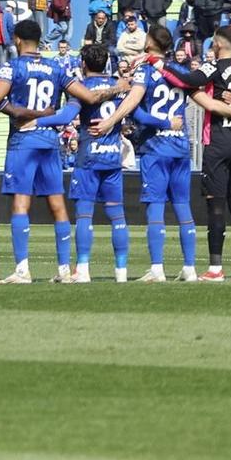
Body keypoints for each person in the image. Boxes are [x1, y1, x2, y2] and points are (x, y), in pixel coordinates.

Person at [0, 21, 117, 284]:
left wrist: (15, 111)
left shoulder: (13, 66)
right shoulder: (56, 67)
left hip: (23, 141)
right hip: (49, 140)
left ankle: (22, 270)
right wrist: (117, 89)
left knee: (21, 203)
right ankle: (65, 270)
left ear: (18, 40)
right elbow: (87, 97)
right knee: (57, 205)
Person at [95, 25, 198, 283]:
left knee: (155, 207)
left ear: (151, 43)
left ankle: (157, 268)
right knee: (183, 206)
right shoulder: (180, 71)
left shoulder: (146, 70)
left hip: (156, 148)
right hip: (180, 147)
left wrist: (112, 121)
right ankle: (190, 267)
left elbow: (137, 110)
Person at [180, 30, 231, 281]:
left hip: (219, 140)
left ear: (216, 44)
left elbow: (188, 79)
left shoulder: (214, 66)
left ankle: (215, 268)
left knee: (216, 204)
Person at [66, 43, 131, 284]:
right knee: (117, 216)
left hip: (88, 159)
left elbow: (67, 116)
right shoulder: (120, 87)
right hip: (113, 157)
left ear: (83, 64)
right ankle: (121, 272)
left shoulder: (81, 88)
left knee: (84, 215)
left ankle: (82, 269)